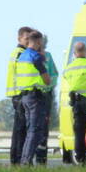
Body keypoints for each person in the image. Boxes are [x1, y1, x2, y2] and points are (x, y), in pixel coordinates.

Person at [16, 30, 51, 165]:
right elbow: (47, 80)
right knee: (35, 131)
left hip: (25, 97)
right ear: (38, 42)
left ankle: (24, 159)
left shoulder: (22, 56)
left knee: (30, 130)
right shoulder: (36, 57)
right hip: (35, 96)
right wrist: (41, 53)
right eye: (40, 42)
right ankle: (26, 161)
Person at [6, 26, 34, 165]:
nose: (29, 41)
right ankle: (17, 160)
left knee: (19, 130)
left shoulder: (17, 52)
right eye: (26, 38)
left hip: (17, 95)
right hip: (20, 94)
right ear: (19, 38)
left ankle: (16, 160)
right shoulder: (21, 54)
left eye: (30, 38)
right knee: (21, 130)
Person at [62, 42, 86, 164]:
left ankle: (80, 158)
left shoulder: (69, 67)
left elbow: (66, 77)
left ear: (74, 54)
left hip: (77, 101)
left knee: (79, 132)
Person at [36, 34, 58, 164]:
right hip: (33, 95)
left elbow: (54, 74)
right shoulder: (30, 56)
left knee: (44, 128)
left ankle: (42, 158)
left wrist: (48, 86)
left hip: (46, 96)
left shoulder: (48, 56)